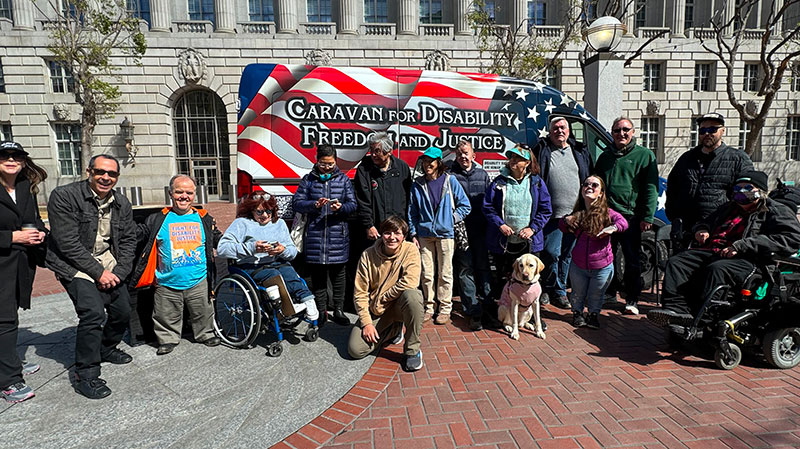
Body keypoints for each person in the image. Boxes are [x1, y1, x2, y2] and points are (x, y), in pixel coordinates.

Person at [648, 171, 800, 326]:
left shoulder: (776, 210)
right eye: (738, 188)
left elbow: (792, 238)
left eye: (747, 187)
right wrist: (702, 229)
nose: (741, 192)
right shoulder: (729, 207)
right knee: (677, 262)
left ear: (761, 191)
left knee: (717, 269)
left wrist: (743, 245)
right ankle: (677, 311)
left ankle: (706, 318)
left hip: (750, 259)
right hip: (715, 251)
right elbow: (706, 222)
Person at [46, 154, 137, 400]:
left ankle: (106, 348)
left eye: (112, 174)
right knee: (93, 313)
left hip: (107, 260)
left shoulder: (121, 203)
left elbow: (129, 240)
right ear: (89, 171)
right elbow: (67, 244)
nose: (106, 177)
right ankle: (86, 373)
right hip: (73, 263)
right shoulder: (64, 196)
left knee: (122, 311)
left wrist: (117, 273)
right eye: (100, 172)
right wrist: (99, 274)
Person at [131, 175, 222, 356]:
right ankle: (167, 339)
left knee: (203, 312)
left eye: (189, 192)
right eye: (179, 192)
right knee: (165, 315)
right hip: (166, 281)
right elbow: (137, 236)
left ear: (194, 195)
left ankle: (205, 333)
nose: (184, 196)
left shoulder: (204, 218)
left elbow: (220, 240)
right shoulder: (157, 219)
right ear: (170, 193)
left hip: (198, 280)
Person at [217, 193, 318, 320]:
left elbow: (292, 252)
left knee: (289, 272)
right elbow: (222, 248)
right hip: (250, 265)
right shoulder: (241, 223)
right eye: (259, 212)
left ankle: (308, 300)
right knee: (273, 274)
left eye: (268, 211)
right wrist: (252, 248)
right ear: (251, 210)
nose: (265, 215)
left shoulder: (279, 224)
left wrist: (282, 250)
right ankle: (286, 306)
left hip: (275, 262)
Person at [594, 117, 659, 315]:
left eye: (625, 130)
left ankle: (632, 299)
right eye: (616, 130)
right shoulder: (605, 157)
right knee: (607, 257)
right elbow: (597, 184)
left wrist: (647, 216)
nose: (621, 134)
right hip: (608, 216)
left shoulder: (645, 156)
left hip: (631, 217)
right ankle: (610, 293)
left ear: (632, 132)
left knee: (632, 260)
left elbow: (650, 188)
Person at [0, 141, 47, 403]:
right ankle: (8, 380)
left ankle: (10, 362)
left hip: (19, 264)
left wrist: (40, 232)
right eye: (4, 155)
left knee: (10, 314)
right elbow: (15, 232)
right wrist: (14, 237)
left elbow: (35, 220)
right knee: (4, 319)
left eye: (16, 156)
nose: (10, 159)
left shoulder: (25, 188)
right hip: (2, 262)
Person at [666, 113, 753, 248]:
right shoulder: (687, 158)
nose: (707, 134)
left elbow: (746, 195)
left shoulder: (738, 158)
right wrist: (675, 217)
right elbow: (672, 188)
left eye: (712, 129)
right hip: (687, 230)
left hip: (721, 231)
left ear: (723, 130)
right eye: (703, 130)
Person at [348, 216, 424, 371]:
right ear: (381, 234)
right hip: (377, 309)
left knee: (413, 296)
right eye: (387, 233)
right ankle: (393, 330)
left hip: (398, 304)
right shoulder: (368, 255)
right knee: (355, 350)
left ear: (403, 235)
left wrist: (383, 297)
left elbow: (411, 282)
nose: (392, 237)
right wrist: (367, 323)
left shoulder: (410, 250)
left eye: (397, 233)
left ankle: (412, 351)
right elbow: (360, 293)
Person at [292, 145, 357, 326]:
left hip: (338, 236)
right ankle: (322, 311)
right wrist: (314, 205)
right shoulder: (308, 180)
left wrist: (341, 208)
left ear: (336, 161)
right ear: (316, 160)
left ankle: (338, 310)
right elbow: (296, 203)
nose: (326, 167)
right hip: (315, 235)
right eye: (323, 163)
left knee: (338, 276)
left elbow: (353, 205)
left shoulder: (343, 180)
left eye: (330, 164)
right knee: (318, 277)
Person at [483, 144, 552, 313]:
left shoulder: (536, 183)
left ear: (527, 163)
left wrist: (532, 229)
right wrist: (500, 224)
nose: (512, 160)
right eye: (511, 157)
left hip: (528, 242)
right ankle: (502, 312)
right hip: (503, 242)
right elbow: (488, 206)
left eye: (517, 158)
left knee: (529, 279)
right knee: (503, 278)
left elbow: (545, 209)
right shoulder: (499, 182)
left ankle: (530, 314)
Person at [532, 116, 592, 310]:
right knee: (551, 253)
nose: (559, 131)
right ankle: (547, 288)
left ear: (569, 131)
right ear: (550, 132)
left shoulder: (579, 151)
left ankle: (559, 291)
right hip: (552, 216)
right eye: (555, 128)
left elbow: (588, 177)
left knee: (567, 255)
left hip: (575, 215)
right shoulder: (543, 150)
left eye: (563, 128)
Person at [409, 146, 471, 326]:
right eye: (425, 161)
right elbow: (412, 211)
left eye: (431, 161)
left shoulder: (450, 181)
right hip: (424, 234)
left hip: (446, 234)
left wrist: (451, 219)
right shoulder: (418, 184)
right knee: (427, 273)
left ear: (438, 163)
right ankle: (429, 307)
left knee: (445, 273)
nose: (427, 164)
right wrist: (413, 233)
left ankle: (444, 308)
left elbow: (465, 206)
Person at [560, 176, 628, 329]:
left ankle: (593, 315)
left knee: (596, 295)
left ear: (601, 193)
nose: (589, 187)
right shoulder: (578, 212)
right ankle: (577, 313)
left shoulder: (607, 212)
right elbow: (562, 227)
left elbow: (623, 222)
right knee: (577, 293)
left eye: (594, 185)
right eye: (586, 184)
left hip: (602, 265)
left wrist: (613, 228)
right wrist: (566, 220)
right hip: (578, 264)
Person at [446, 140, 491, 331]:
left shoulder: (483, 175)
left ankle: (489, 307)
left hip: (481, 230)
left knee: (484, 268)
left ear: (474, 155)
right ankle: (472, 310)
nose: (463, 157)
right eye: (459, 154)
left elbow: (490, 204)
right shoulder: (450, 176)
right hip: (461, 231)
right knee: (465, 269)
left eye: (466, 153)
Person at [354, 132, 412, 243]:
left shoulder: (402, 168)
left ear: (389, 151)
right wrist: (369, 225)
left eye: (377, 151)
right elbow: (362, 200)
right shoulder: (364, 169)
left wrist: (405, 226)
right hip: (376, 230)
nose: (373, 155)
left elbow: (408, 199)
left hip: (398, 229)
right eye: (371, 151)